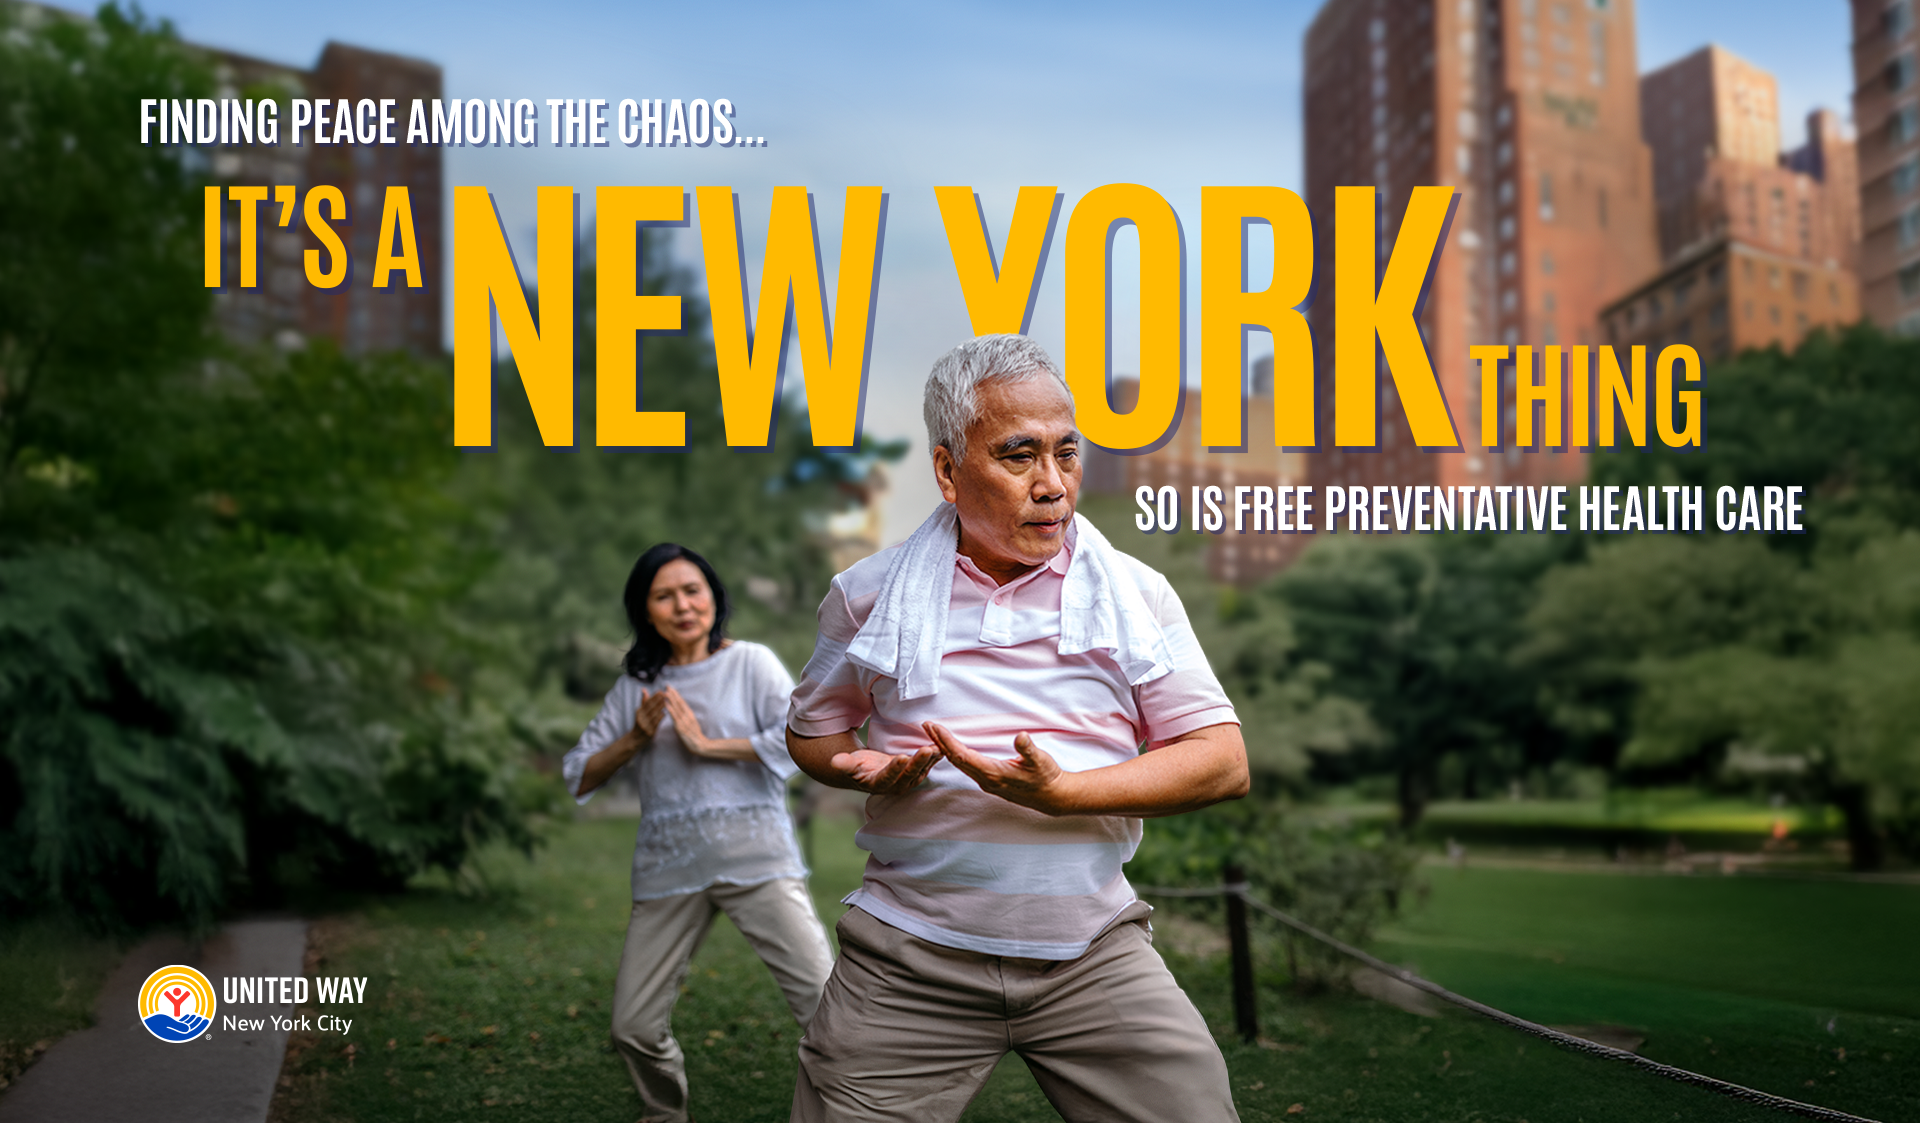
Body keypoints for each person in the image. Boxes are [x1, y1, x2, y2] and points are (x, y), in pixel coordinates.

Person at [785, 335, 1250, 1123]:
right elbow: (814, 733)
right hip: (907, 963)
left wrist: (1064, 794)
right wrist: (856, 767)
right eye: (1018, 454)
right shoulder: (866, 594)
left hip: (1095, 955)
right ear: (946, 470)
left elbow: (1222, 760)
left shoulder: (1137, 594)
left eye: (1067, 454)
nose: (1053, 485)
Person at [564, 543, 834, 1123]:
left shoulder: (751, 663)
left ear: (713, 595)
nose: (683, 605)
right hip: (670, 869)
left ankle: (848, 1112)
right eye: (664, 596)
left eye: (693, 590)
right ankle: (665, 1113)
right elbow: (578, 772)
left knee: (826, 1007)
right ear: (645, 611)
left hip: (757, 860)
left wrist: (708, 746)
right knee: (632, 1024)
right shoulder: (636, 688)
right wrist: (634, 739)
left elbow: (798, 742)